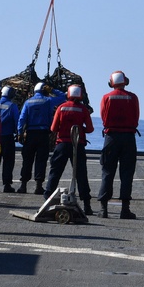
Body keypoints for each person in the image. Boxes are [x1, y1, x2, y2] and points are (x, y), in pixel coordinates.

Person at [43, 84, 94, 214]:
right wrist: (80, 129)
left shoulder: (61, 108)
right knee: (81, 174)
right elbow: (90, 129)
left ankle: (47, 198)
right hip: (77, 145)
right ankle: (87, 204)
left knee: (55, 172)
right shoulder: (83, 110)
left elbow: (53, 128)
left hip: (62, 144)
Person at [97, 70, 140, 219]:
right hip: (129, 137)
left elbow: (103, 116)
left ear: (111, 83)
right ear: (125, 81)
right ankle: (125, 209)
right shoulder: (133, 97)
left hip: (111, 138)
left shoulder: (106, 98)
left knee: (107, 172)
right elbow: (136, 117)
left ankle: (103, 209)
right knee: (127, 174)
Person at [17, 82, 66, 194]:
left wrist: (20, 133)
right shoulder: (48, 101)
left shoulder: (28, 102)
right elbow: (63, 97)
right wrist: (52, 90)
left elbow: (22, 118)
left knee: (27, 160)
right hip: (43, 134)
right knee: (41, 160)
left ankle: (23, 186)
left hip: (30, 134)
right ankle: (38, 186)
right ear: (44, 90)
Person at [0, 85, 20, 192]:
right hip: (7, 137)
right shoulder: (12, 106)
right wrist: (18, 133)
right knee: (8, 161)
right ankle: (6, 184)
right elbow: (17, 121)